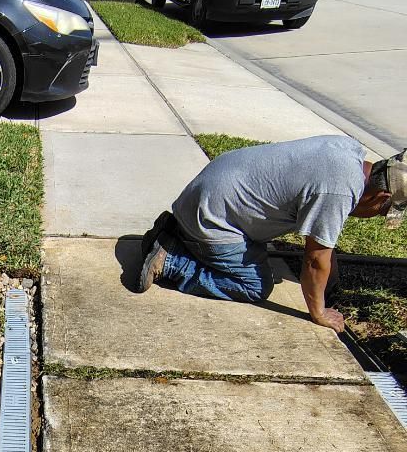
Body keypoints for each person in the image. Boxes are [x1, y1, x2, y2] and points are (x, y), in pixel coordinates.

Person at [138, 136, 407, 333]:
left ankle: (177, 231)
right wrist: (319, 312)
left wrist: (330, 281)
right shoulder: (338, 192)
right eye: (383, 212)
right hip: (211, 219)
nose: (377, 216)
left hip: (205, 194)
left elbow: (323, 243)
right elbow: (315, 261)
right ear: (380, 196)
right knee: (254, 286)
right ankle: (172, 261)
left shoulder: (348, 151)